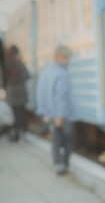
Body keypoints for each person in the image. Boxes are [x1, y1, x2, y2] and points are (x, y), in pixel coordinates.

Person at [36, 44, 77, 175]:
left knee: (55, 140)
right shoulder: (62, 73)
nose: (68, 61)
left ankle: (57, 164)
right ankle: (65, 165)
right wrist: (60, 115)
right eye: (67, 58)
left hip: (51, 113)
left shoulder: (46, 71)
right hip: (64, 114)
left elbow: (40, 93)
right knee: (68, 141)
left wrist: (45, 111)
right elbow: (61, 96)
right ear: (60, 57)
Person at [3, 45, 31, 141]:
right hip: (21, 94)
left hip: (10, 94)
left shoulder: (6, 64)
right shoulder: (19, 64)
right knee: (21, 114)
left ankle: (13, 134)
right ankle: (21, 133)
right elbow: (27, 76)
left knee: (12, 115)